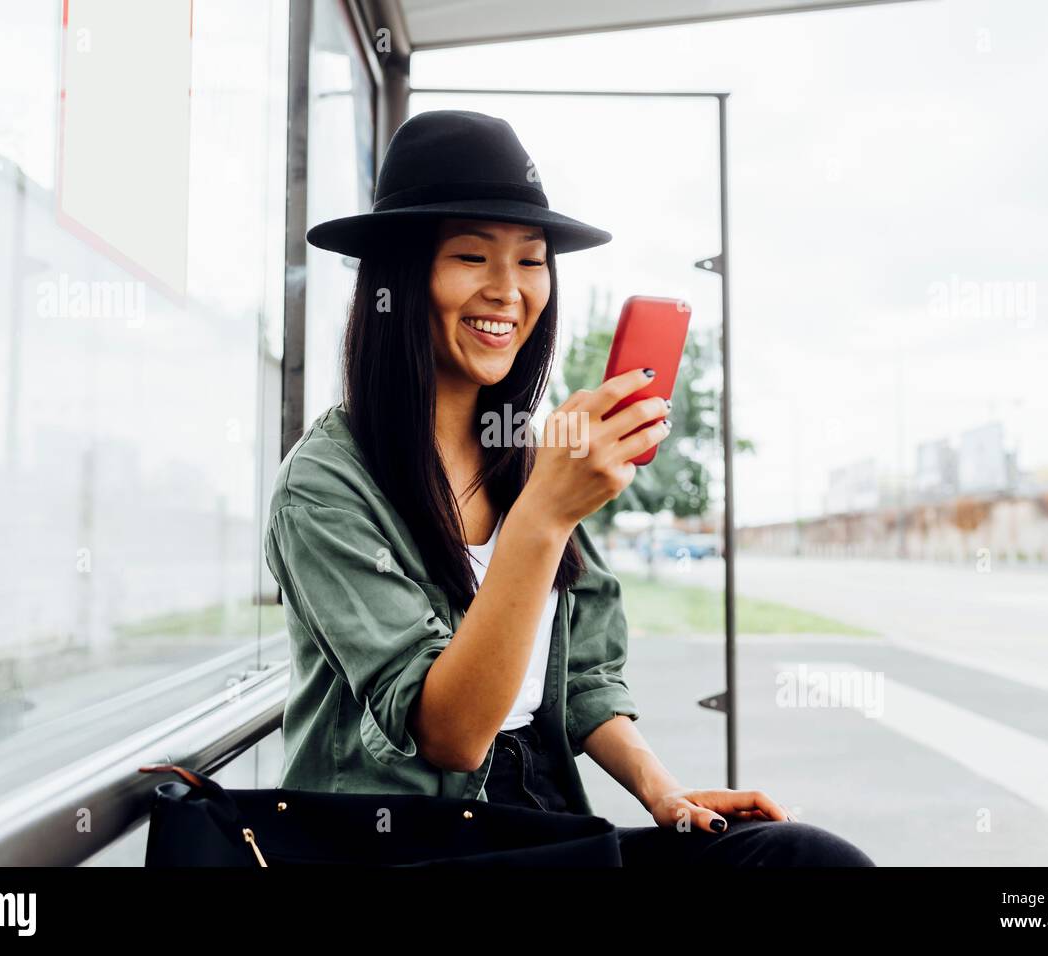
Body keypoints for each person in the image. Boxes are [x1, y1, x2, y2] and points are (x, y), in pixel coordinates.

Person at [264, 109, 874, 867]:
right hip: (410, 840)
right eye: (470, 256)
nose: (507, 291)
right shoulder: (324, 486)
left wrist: (663, 793)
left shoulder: (523, 453)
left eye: (531, 260)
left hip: (540, 817)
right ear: (399, 275)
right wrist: (543, 517)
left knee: (803, 857)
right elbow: (450, 735)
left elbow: (581, 674)